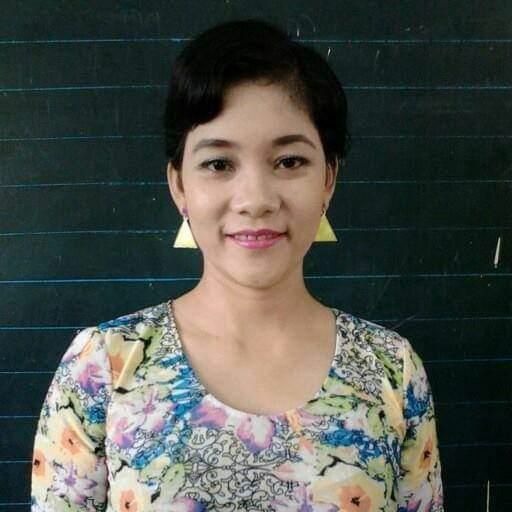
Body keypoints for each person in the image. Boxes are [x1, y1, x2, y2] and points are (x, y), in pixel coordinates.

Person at [30, 18, 444, 511]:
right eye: (219, 164)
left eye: (289, 161)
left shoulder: (391, 370)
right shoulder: (102, 367)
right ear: (179, 185)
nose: (255, 199)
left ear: (328, 180)